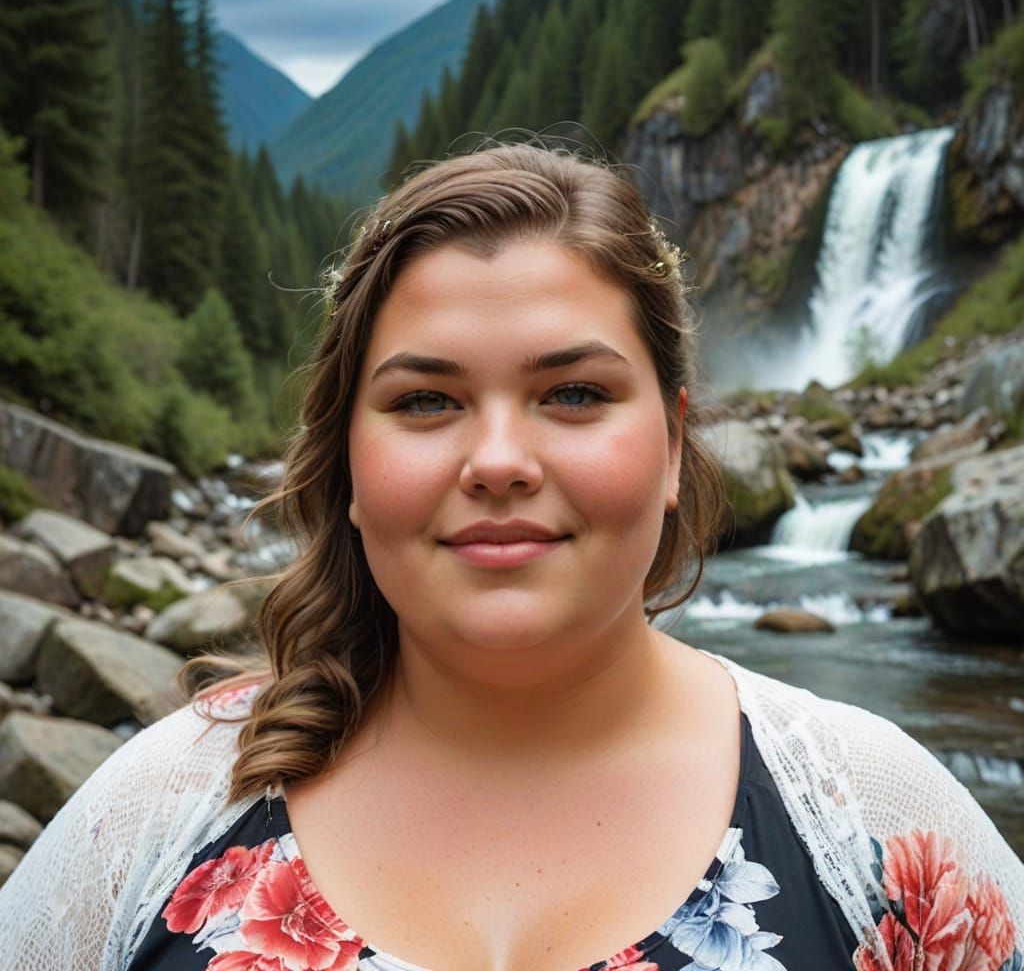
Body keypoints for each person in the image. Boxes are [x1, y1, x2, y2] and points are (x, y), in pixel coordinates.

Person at [0, 142, 1021, 971]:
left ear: (671, 444)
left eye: (573, 392)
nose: (497, 461)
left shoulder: (871, 823)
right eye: (425, 401)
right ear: (348, 459)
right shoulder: (151, 819)